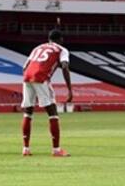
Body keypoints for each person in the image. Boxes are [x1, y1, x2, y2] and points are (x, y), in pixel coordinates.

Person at [21, 29, 72, 157]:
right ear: (60, 39)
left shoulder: (38, 47)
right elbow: (65, 66)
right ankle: (56, 150)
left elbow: (25, 66)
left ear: (49, 39)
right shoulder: (62, 50)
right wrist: (70, 89)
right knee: (52, 113)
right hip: (41, 78)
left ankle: (26, 149)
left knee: (28, 112)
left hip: (27, 77)